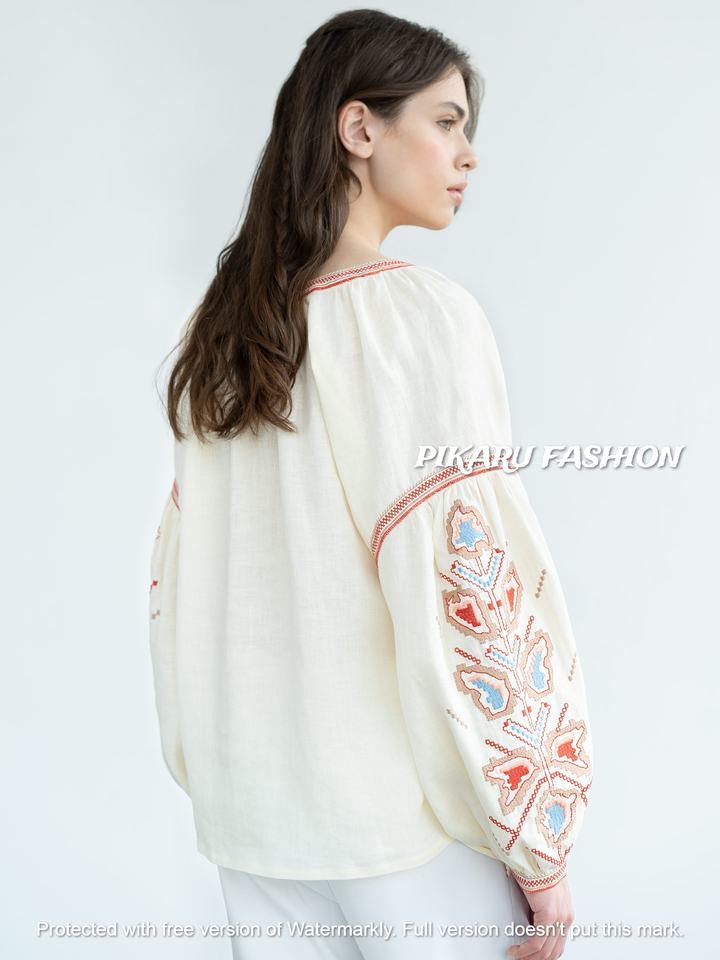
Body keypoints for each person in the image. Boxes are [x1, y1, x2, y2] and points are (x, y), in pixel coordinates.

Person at [148, 9, 593, 959]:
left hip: (256, 825)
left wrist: (212, 772)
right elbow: (471, 585)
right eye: (446, 121)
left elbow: (178, 590)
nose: (468, 154)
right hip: (402, 830)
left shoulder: (217, 339)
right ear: (359, 127)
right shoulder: (415, 316)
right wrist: (536, 837)